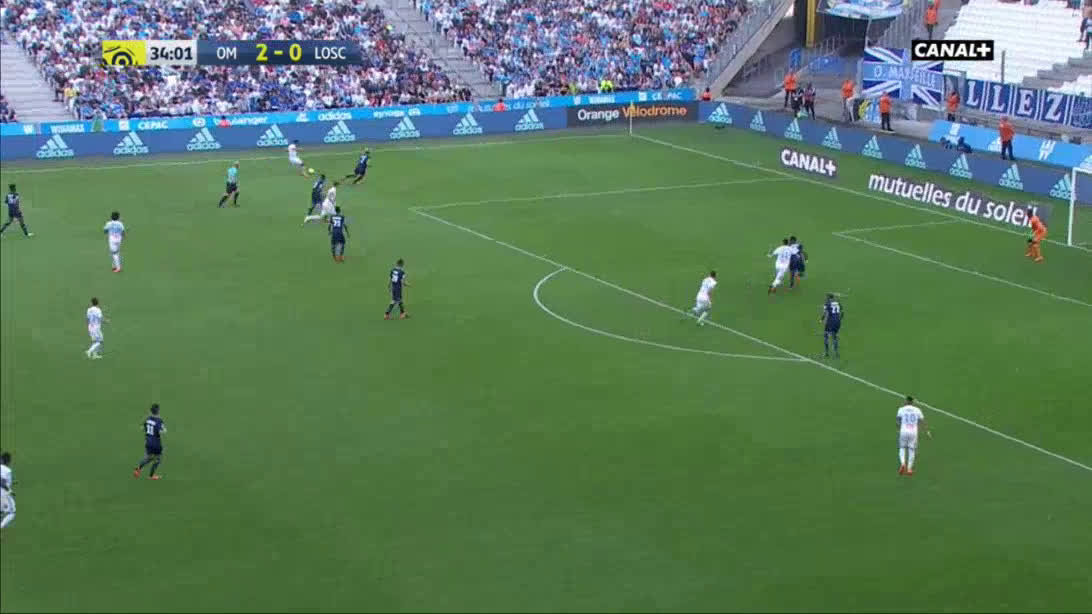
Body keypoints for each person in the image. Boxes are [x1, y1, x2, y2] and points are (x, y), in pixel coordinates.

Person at [897, 396, 931, 476]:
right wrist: (927, 431)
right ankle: (909, 469)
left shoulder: (901, 409)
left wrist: (899, 429)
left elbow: (898, 421)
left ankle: (903, 463)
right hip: (913, 432)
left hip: (903, 431)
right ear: (912, 402)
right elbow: (922, 421)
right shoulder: (917, 410)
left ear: (906, 401)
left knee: (902, 448)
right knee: (911, 450)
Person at [133, 404, 166, 480]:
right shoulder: (159, 420)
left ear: (151, 411)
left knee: (149, 457)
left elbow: (142, 428)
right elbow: (163, 431)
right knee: (158, 459)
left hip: (148, 442)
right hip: (156, 444)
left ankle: (138, 468)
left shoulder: (148, 419)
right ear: (158, 411)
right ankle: (151, 476)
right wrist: (163, 429)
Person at [820, 293, 842, 358]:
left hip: (831, 322)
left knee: (826, 336)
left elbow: (825, 313)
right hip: (838, 321)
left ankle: (826, 353)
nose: (826, 299)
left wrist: (821, 320)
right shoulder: (838, 303)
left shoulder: (827, 303)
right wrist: (839, 320)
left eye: (827, 297)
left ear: (829, 298)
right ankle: (836, 353)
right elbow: (842, 313)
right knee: (834, 336)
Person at [0, 451, 13, 531]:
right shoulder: (7, 470)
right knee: (12, 512)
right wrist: (9, 490)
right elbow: (1, 482)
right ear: (8, 461)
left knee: (1, 511)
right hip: (3, 493)